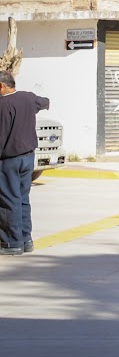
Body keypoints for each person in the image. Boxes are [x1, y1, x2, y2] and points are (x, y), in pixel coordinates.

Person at [0, 70, 49, 256]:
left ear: (1, 86)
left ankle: (11, 243)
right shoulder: (28, 98)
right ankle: (25, 239)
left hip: (8, 161)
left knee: (8, 200)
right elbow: (45, 102)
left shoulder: (3, 105)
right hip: (28, 159)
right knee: (22, 199)